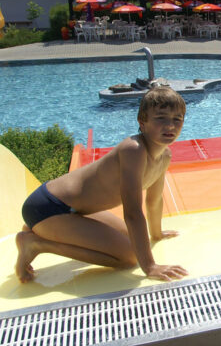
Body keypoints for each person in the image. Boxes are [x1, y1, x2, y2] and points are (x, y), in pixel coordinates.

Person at [15, 87, 189, 283]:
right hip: (49, 207)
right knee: (129, 257)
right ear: (143, 122)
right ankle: (37, 242)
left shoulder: (164, 155)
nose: (170, 125)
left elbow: (154, 200)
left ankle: (41, 229)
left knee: (133, 240)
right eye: (161, 118)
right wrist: (150, 266)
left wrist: (156, 234)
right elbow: (132, 212)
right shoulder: (134, 150)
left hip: (77, 210)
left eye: (177, 119)